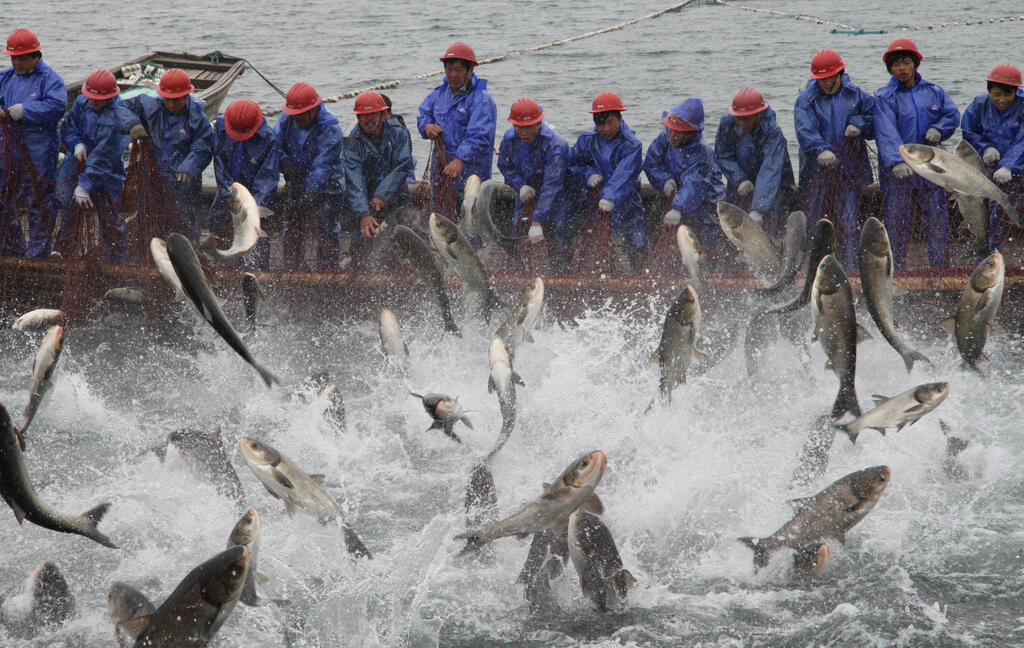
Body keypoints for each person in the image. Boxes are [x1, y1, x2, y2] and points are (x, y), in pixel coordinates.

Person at [874, 38, 960, 268]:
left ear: (915, 63)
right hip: (898, 173)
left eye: (906, 62)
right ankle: (896, 271)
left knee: (936, 220)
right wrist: (895, 162)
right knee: (896, 223)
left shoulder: (934, 91)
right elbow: (885, 132)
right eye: (896, 64)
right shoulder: (884, 97)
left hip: (930, 170)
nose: (902, 68)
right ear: (890, 69)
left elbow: (952, 115)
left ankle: (940, 269)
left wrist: (938, 129)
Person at [794, 49, 875, 269]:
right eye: (822, 79)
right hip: (816, 172)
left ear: (841, 73)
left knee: (849, 225)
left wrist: (859, 124)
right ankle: (813, 272)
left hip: (848, 172)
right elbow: (804, 129)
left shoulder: (856, 94)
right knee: (814, 226)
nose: (827, 82)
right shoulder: (806, 99)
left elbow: (875, 116)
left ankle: (852, 271)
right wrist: (820, 149)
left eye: (831, 77)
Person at [122, 68, 213, 241]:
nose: (171, 104)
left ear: (186, 96)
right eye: (167, 99)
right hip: (152, 179)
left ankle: (187, 258)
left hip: (183, 185)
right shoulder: (147, 106)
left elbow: (203, 147)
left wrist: (188, 167)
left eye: (176, 100)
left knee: (185, 224)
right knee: (149, 222)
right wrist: (133, 124)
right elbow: (118, 106)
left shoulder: (198, 119)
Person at [0, 28, 66, 257]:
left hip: (39, 150)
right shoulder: (6, 77)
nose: (16, 62)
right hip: (8, 148)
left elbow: (57, 107)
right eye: (13, 57)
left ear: (35, 56)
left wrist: (26, 110)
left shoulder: (50, 79)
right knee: (3, 196)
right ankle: (12, 248)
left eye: (21, 57)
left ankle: (37, 254)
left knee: (39, 200)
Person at [56, 69, 133, 262]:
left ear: (110, 96)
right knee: (67, 208)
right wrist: (76, 144)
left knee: (110, 219)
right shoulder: (83, 102)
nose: (93, 102)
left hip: (107, 172)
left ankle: (115, 261)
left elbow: (104, 157)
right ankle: (64, 254)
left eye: (98, 100)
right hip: (78, 163)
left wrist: (85, 185)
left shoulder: (119, 117)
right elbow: (70, 127)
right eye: (90, 97)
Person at [416, 42, 497, 218]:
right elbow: (423, 115)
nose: (453, 75)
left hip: (471, 177)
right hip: (441, 175)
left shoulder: (482, 100)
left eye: (459, 70)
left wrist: (460, 160)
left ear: (470, 71)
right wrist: (427, 126)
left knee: (470, 221)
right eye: (449, 69)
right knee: (441, 220)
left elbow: (479, 136)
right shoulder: (437, 94)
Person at [569, 91, 646, 270]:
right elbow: (571, 165)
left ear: (620, 119)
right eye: (600, 123)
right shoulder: (587, 140)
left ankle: (638, 276)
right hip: (595, 205)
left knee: (638, 244)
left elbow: (625, 174)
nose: (605, 128)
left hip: (628, 204)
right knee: (595, 249)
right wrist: (588, 174)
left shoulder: (632, 145)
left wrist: (610, 196)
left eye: (610, 122)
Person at [497, 97, 575, 271]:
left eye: (528, 127)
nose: (523, 133)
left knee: (560, 235)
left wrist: (537, 221)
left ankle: (560, 276)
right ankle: (516, 273)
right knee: (517, 232)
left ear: (538, 123)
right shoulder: (510, 139)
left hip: (557, 197)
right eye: (518, 127)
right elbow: (504, 166)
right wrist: (519, 185)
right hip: (526, 194)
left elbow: (552, 184)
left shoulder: (556, 145)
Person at [275, 82, 344, 269]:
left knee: (326, 229)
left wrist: (312, 189)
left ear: (313, 110)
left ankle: (327, 271)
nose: (297, 119)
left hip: (327, 186)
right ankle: (293, 269)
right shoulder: (287, 119)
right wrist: (286, 163)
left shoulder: (331, 128)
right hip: (296, 182)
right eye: (294, 115)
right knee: (292, 229)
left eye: (301, 116)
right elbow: (275, 144)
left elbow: (324, 162)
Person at [643, 97, 725, 253]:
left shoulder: (702, 152)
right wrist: (663, 181)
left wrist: (678, 207)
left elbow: (694, 184)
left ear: (691, 132)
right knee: (674, 252)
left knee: (706, 251)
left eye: (678, 132)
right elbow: (651, 163)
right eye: (670, 129)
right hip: (678, 201)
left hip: (706, 208)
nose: (672, 135)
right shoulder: (664, 138)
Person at [714, 87, 795, 237]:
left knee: (773, 235)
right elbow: (722, 155)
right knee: (737, 236)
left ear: (759, 114)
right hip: (740, 189)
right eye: (739, 118)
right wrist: (739, 179)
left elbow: (770, 170)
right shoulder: (728, 124)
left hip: (775, 190)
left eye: (747, 118)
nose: (742, 123)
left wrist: (758, 209)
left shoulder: (773, 132)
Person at [343, 90, 414, 264]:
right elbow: (354, 179)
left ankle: (402, 271)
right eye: (363, 116)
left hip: (397, 199)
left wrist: (383, 195)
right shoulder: (352, 142)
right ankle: (357, 272)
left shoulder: (398, 133)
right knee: (361, 247)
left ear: (382, 115)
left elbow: (402, 166)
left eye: (373, 114)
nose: (369, 120)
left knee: (403, 240)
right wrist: (363, 214)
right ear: (358, 118)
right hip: (368, 203)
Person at [960, 62, 1024, 253]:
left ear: (1016, 92)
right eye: (997, 94)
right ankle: (989, 258)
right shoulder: (979, 105)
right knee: (993, 216)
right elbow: (969, 132)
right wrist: (985, 148)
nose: (1002, 100)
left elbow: (1023, 141)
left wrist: (1009, 165)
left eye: (1007, 95)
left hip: (1019, 169)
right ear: (989, 91)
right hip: (990, 171)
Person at [208, 98, 279, 269]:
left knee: (258, 231)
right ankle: (222, 262)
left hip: (253, 195)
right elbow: (219, 163)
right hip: (231, 191)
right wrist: (227, 193)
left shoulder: (268, 139)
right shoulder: (221, 129)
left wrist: (254, 208)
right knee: (216, 220)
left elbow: (267, 179)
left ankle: (256, 272)